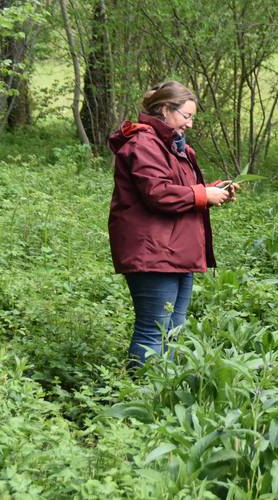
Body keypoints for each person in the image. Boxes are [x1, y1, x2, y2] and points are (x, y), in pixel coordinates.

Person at [108, 81, 238, 369]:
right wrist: (203, 194)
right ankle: (137, 396)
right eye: (186, 116)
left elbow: (180, 188)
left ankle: (161, 396)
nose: (190, 124)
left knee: (174, 331)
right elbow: (158, 193)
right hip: (153, 253)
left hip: (176, 250)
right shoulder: (144, 144)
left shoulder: (172, 145)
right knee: (153, 333)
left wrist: (213, 189)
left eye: (192, 117)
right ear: (166, 110)